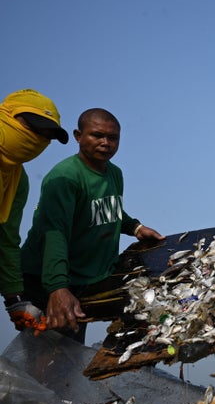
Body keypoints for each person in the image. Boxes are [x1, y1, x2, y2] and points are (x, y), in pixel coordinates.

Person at [20, 108, 164, 343]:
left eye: (113, 138)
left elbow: (107, 210)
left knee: (71, 352)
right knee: (50, 353)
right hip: (48, 278)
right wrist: (57, 288)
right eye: (97, 135)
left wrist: (135, 227)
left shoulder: (114, 174)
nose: (106, 143)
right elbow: (54, 235)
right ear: (78, 136)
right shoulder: (64, 178)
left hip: (84, 279)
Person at [1, 89, 69, 334]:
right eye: (32, 126)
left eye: (45, 135)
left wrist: (15, 301)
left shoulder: (17, 180)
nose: (35, 138)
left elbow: (6, 241)